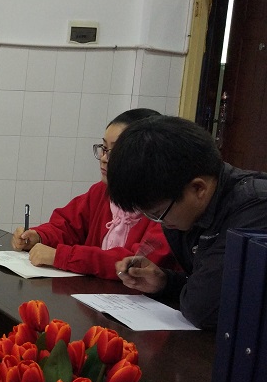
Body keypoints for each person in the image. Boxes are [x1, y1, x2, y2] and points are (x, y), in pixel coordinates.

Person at [107, 115, 267, 330]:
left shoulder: (256, 208)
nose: (160, 222)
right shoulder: (188, 212)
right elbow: (210, 291)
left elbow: (203, 308)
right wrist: (165, 282)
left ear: (198, 188)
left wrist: (186, 288)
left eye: (158, 213)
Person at [10, 108, 173, 279]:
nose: (104, 158)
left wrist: (62, 256)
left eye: (115, 151)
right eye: (104, 148)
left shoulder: (164, 210)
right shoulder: (102, 192)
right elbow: (67, 226)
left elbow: (134, 263)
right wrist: (39, 236)